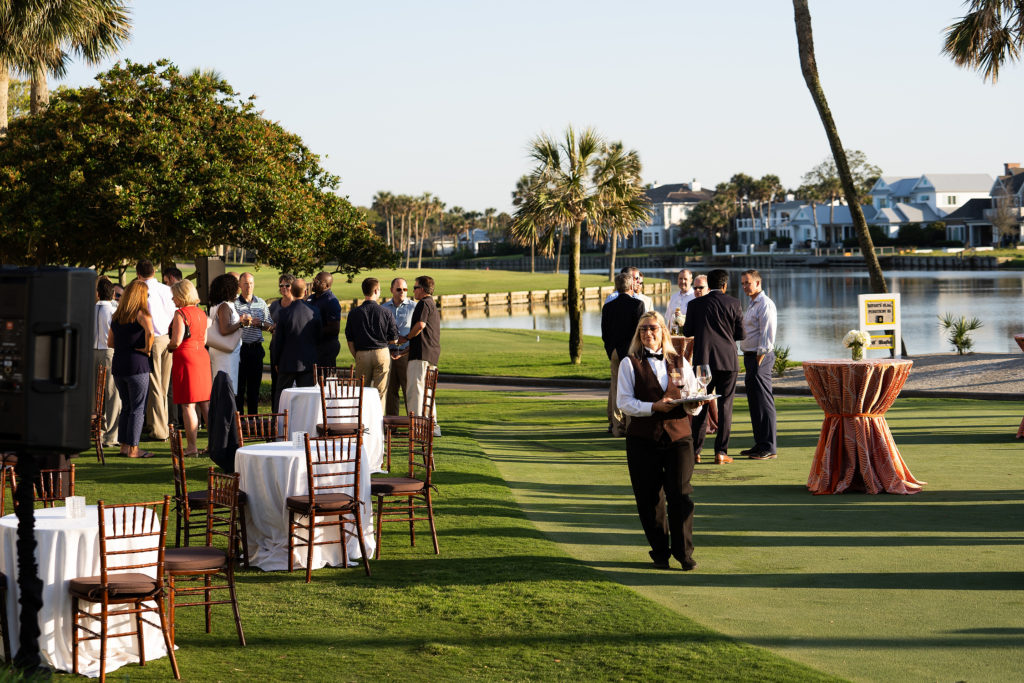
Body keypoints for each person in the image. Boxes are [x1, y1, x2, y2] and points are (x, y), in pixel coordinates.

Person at [617, 311, 706, 570]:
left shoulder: (680, 362)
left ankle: (684, 553)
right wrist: (653, 407)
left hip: (679, 437)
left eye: (653, 328)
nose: (648, 333)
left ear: (663, 332)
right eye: (643, 329)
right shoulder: (629, 363)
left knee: (680, 495)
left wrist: (696, 404)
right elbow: (624, 403)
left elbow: (692, 397)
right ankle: (660, 552)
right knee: (649, 499)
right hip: (643, 440)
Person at [682, 269, 744, 465]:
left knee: (700, 405)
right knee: (726, 406)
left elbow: (687, 331)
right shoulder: (734, 303)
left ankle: (695, 451)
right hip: (727, 361)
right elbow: (740, 333)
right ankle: (721, 452)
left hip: (703, 362)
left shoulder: (694, 304)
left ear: (709, 285)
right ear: (725, 285)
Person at [107, 280, 155, 458]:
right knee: (137, 407)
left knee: (126, 407)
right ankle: (134, 449)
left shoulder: (117, 316)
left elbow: (109, 342)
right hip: (137, 364)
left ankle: (124, 446)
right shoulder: (142, 314)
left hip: (119, 364)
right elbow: (150, 333)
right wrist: (147, 349)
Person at [168, 279, 212, 457]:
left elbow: (176, 341)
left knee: (188, 404)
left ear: (181, 295)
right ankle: (214, 443)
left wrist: (168, 347)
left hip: (186, 357)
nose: (172, 300)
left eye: (174, 296)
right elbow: (205, 339)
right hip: (201, 355)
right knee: (205, 403)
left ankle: (192, 447)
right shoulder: (202, 313)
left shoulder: (180, 314)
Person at [739, 269, 778, 460]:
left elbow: (767, 336)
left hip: (759, 358)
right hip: (750, 357)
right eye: (743, 283)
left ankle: (769, 447)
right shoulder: (752, 304)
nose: (745, 286)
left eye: (748, 283)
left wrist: (759, 360)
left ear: (757, 283)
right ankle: (760, 443)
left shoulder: (765, 304)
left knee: (763, 401)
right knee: (755, 403)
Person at [136, 260, 176, 441]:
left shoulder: (141, 290)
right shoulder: (166, 289)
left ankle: (160, 431)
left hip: (153, 338)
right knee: (163, 386)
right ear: (154, 271)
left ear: (138, 274)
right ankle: (161, 425)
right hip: (168, 338)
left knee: (155, 387)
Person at [601, 272, 645, 437]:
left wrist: (610, 349)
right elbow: (641, 331)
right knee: (632, 388)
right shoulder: (638, 305)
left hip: (614, 352)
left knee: (616, 387)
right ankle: (631, 425)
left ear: (616, 287)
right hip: (632, 351)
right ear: (632, 286)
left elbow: (605, 333)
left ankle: (617, 427)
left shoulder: (608, 307)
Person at [345, 277, 399, 403]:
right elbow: (394, 339)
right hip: (381, 352)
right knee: (380, 392)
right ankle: (378, 421)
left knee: (361, 392)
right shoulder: (386, 312)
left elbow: (350, 339)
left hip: (362, 354)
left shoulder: (354, 313)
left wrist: (357, 355)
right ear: (375, 291)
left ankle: (361, 420)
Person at [400, 275, 441, 437]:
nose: (413, 291)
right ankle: (433, 426)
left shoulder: (423, 303)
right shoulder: (432, 304)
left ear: (422, 289)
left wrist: (407, 337)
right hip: (431, 354)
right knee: (428, 392)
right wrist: (406, 349)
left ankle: (417, 427)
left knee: (415, 391)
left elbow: (421, 325)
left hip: (421, 356)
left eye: (415, 287)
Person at [272, 278, 322, 408]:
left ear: (292, 292)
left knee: (282, 397)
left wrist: (276, 361)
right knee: (307, 398)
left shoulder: (284, 313)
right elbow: (319, 336)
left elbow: (278, 340)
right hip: (307, 362)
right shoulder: (315, 312)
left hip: (287, 361)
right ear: (305, 292)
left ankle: (279, 424)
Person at [234, 272, 274, 414]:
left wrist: (261, 323)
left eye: (251, 283)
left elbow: (271, 326)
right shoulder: (234, 304)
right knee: (239, 388)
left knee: (254, 388)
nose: (248, 286)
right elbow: (230, 324)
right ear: (240, 285)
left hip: (256, 349)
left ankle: (253, 420)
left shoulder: (261, 303)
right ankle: (240, 423)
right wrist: (241, 321)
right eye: (245, 283)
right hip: (240, 349)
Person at [381, 277, 417, 415]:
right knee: (390, 391)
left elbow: (419, 331)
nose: (402, 291)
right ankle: (392, 425)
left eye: (405, 289)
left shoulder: (414, 307)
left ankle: (412, 424)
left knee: (408, 390)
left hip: (406, 354)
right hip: (388, 354)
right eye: (399, 289)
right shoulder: (383, 308)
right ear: (391, 290)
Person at [94, 277, 121, 448]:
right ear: (111, 294)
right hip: (109, 351)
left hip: (92, 352)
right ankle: (111, 435)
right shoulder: (114, 309)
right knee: (112, 394)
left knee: (96, 394)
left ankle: (97, 431)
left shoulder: (89, 308)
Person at [207, 273, 245, 394]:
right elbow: (224, 329)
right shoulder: (224, 306)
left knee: (221, 387)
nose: (238, 288)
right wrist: (241, 323)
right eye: (236, 286)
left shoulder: (216, 306)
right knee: (226, 389)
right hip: (225, 354)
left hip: (220, 351)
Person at [268, 272, 296, 406]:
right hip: (276, 348)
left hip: (291, 349)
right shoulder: (274, 305)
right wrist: (271, 327)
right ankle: (276, 414)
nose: (283, 287)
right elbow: (268, 324)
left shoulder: (297, 304)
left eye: (287, 285)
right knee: (276, 382)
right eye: (281, 285)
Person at [307, 271, 343, 368]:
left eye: (318, 281)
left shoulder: (331, 301)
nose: (314, 283)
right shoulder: (311, 298)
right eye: (314, 279)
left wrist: (312, 331)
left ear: (326, 285)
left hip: (326, 346)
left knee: (324, 379)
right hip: (313, 345)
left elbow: (334, 329)